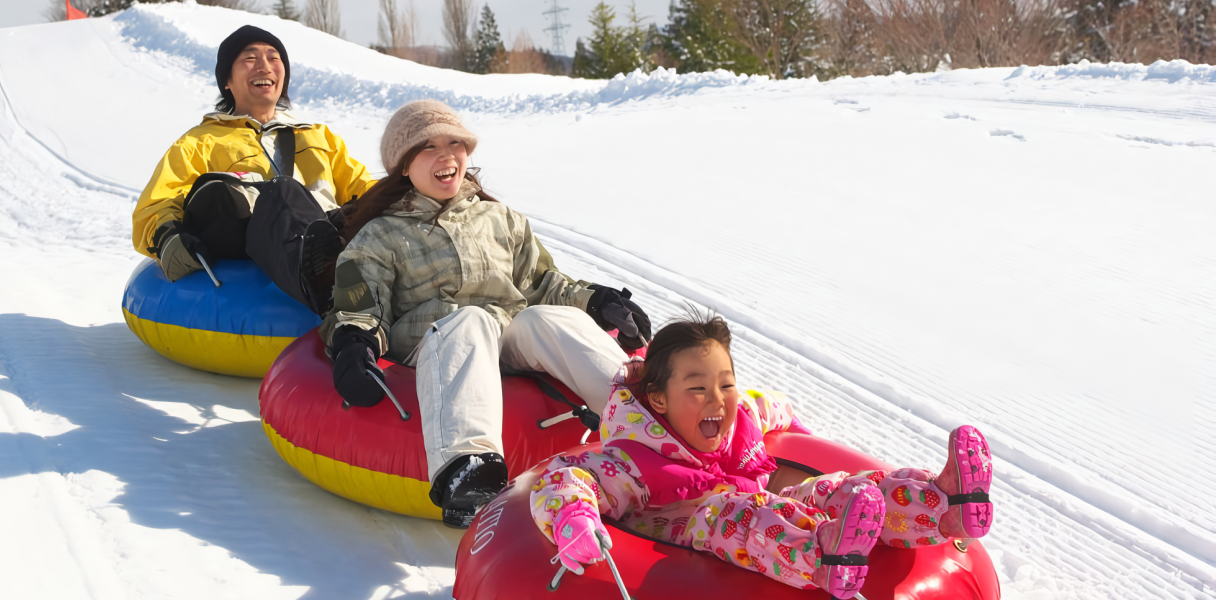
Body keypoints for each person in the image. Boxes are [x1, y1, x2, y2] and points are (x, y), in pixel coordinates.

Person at [322, 99, 653, 528]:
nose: (446, 156)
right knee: (470, 321)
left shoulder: (500, 218)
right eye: (428, 147)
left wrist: (597, 301)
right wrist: (354, 342)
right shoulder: (382, 233)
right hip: (436, 339)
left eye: (455, 143)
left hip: (506, 332)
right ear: (403, 165)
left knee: (551, 319)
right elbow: (360, 301)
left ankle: (648, 422)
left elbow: (541, 283)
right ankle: (469, 467)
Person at [528, 314, 995, 599]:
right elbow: (564, 478)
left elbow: (770, 406)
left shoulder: (736, 415)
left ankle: (942, 505)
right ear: (659, 400)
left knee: (833, 490)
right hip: (697, 530)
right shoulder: (633, 459)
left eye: (725, 384)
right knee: (732, 514)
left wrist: (799, 435)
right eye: (698, 389)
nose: (719, 400)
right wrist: (572, 517)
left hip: (766, 502)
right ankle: (824, 556)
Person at [132, 25, 375, 311]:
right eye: (250, 59)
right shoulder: (200, 142)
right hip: (243, 242)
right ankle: (331, 290)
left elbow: (365, 188)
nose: (264, 66)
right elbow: (157, 204)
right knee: (281, 191)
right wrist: (170, 238)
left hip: (324, 232)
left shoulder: (319, 136)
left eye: (274, 58)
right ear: (227, 81)